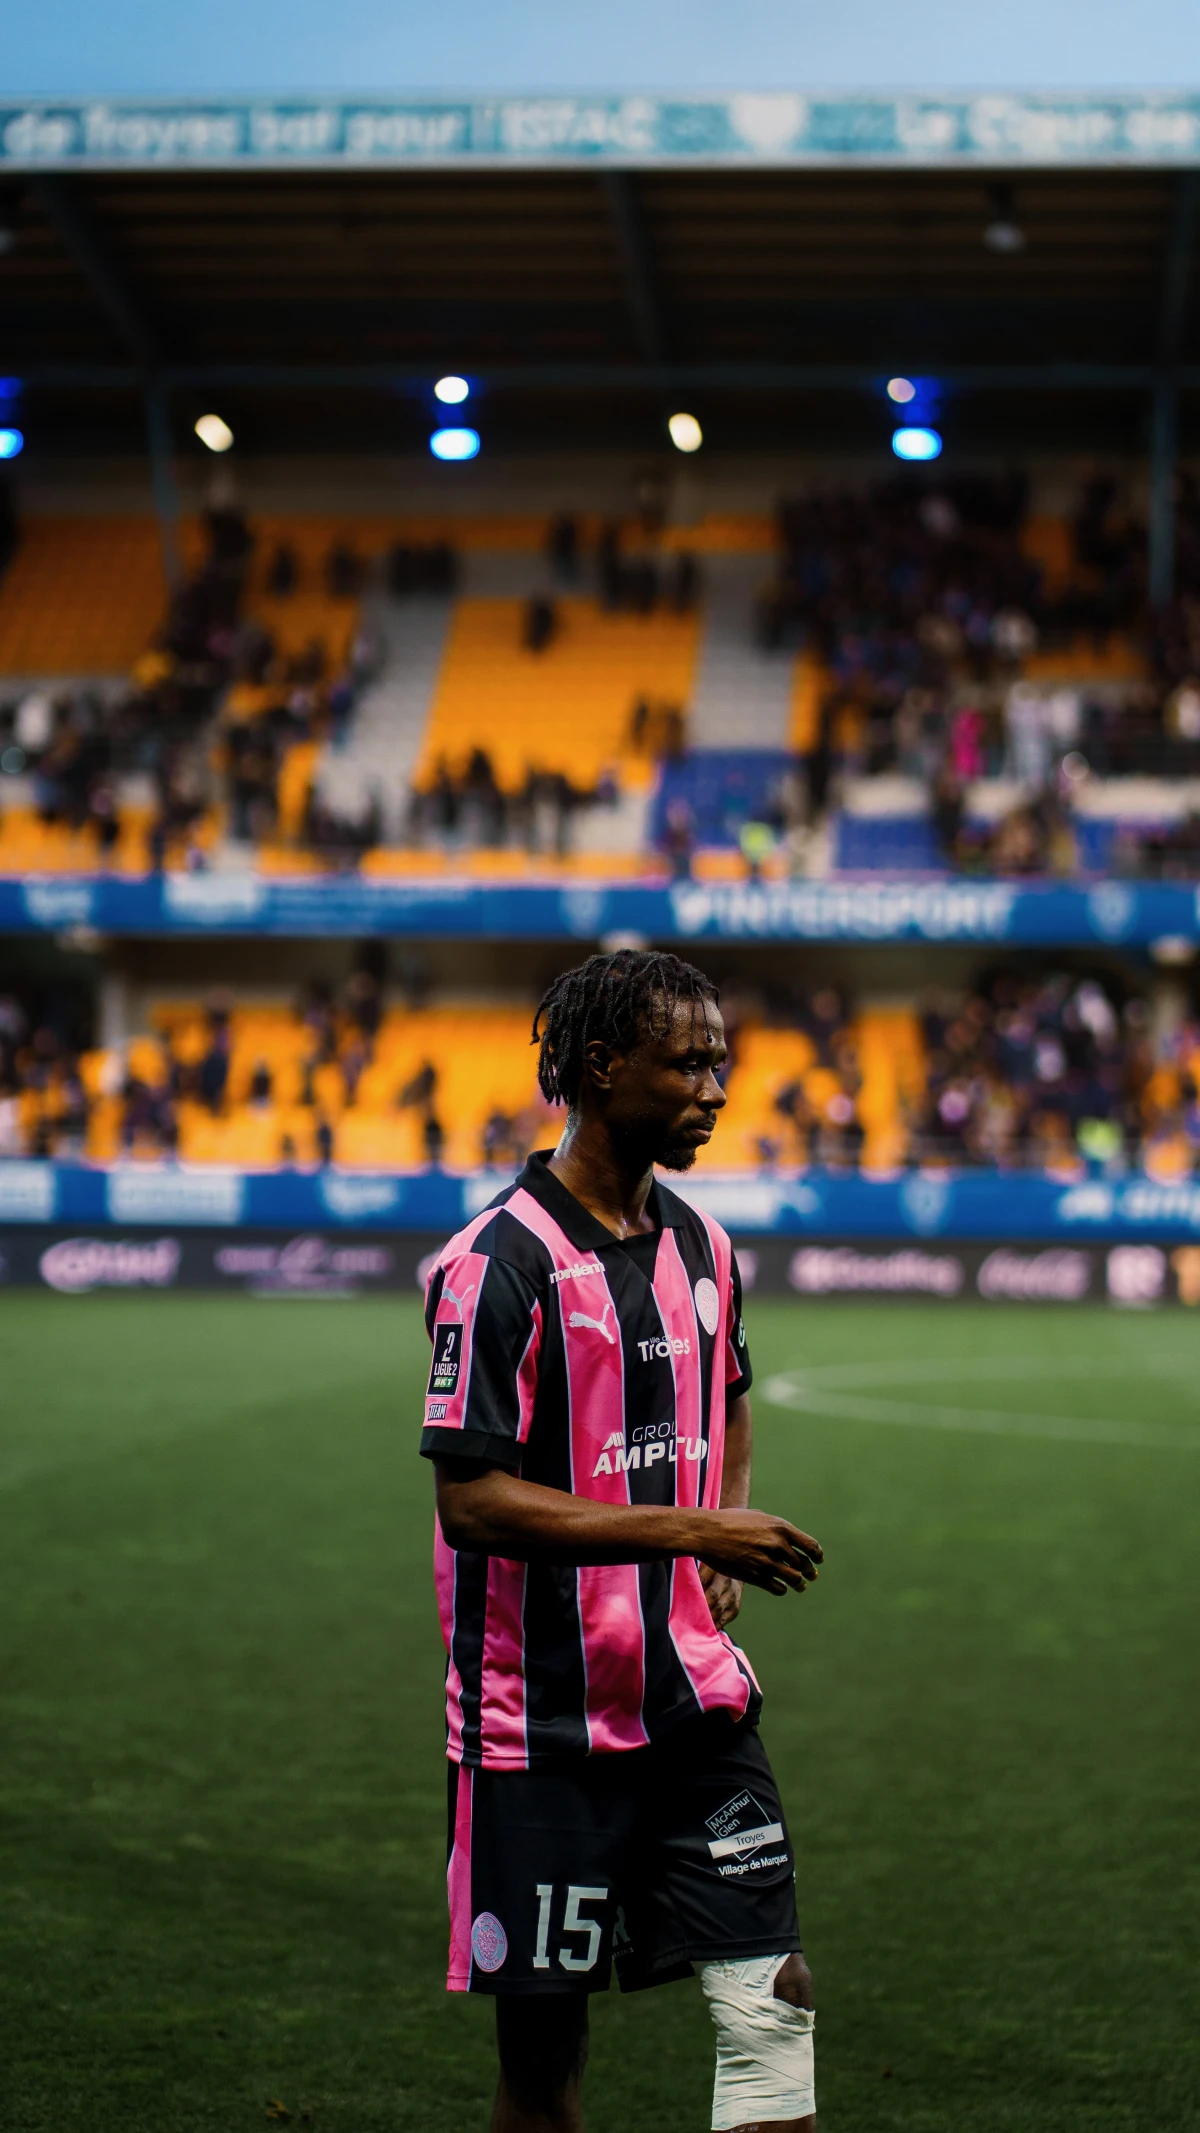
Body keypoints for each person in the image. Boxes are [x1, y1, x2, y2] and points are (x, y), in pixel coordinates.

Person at [420, 949, 824, 2133]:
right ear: (601, 1067)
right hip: (535, 1725)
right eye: (688, 1063)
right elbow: (472, 1500)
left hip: (695, 1703)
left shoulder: (705, 1246)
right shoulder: (497, 1265)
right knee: (544, 2061)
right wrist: (696, 1525)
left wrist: (708, 1546)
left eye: (721, 1063)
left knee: (775, 2011)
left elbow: (731, 1394)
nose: (715, 1089)